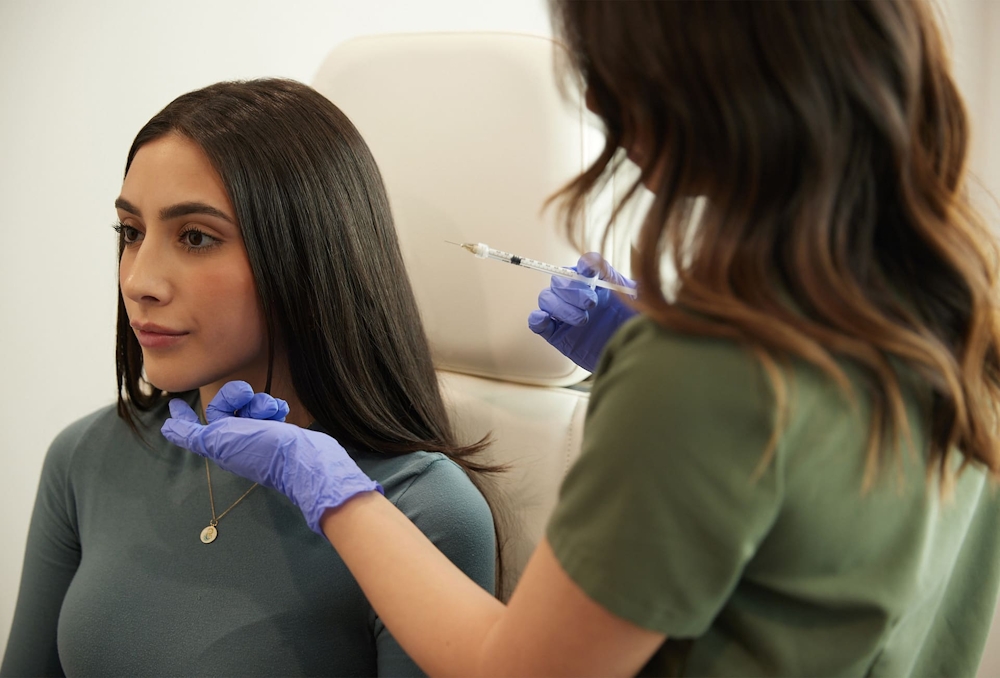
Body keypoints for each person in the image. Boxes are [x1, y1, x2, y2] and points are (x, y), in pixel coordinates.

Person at [156, 1, 1000, 675]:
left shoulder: (703, 374)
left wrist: (327, 481)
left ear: (720, 73)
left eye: (611, 64)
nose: (597, 102)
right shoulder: (960, 313)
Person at [0, 78, 501, 677]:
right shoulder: (87, 456)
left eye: (195, 237)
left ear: (308, 255)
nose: (138, 280)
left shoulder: (425, 512)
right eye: (131, 232)